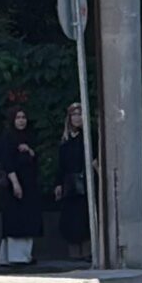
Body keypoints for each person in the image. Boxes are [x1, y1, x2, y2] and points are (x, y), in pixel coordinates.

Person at [0, 108, 44, 267]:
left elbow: (36, 159)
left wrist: (29, 151)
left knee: (28, 219)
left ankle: (24, 255)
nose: (21, 121)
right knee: (15, 220)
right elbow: (7, 162)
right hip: (14, 184)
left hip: (29, 185)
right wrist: (15, 183)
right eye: (18, 118)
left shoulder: (29, 136)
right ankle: (15, 257)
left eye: (24, 117)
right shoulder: (7, 137)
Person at [53, 103, 91, 263]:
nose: (77, 118)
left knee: (85, 216)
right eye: (74, 115)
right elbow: (61, 165)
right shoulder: (66, 140)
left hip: (87, 182)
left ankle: (88, 251)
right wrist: (58, 184)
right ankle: (74, 252)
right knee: (71, 217)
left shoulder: (89, 137)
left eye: (80, 114)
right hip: (70, 184)